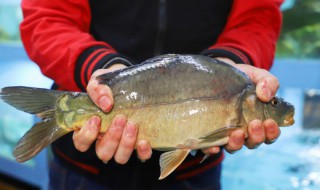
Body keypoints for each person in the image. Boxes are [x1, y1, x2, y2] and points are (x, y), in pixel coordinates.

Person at [20, 0, 283, 189]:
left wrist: (228, 65)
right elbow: (48, 17)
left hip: (194, 173)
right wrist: (101, 70)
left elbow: (258, 17)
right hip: (83, 168)